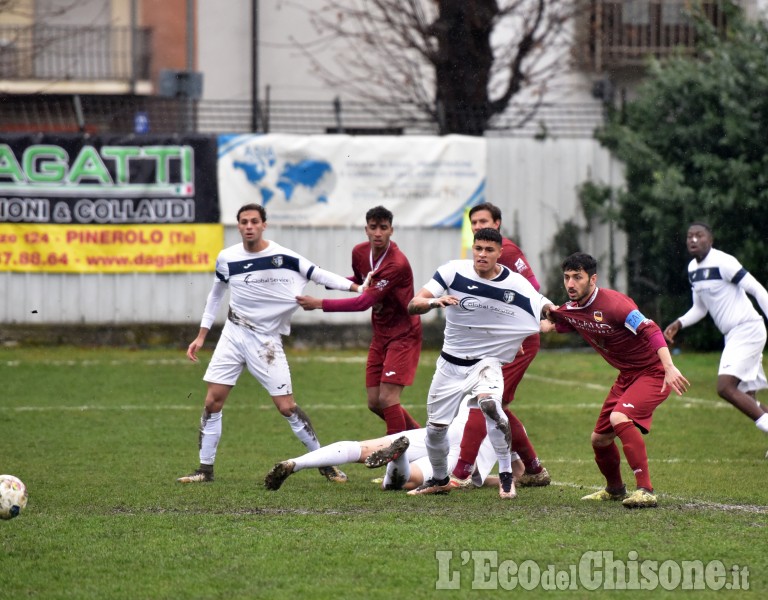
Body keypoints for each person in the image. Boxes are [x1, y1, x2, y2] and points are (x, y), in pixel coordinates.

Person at [177, 203, 361, 484]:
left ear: (264, 225)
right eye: (243, 222)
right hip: (233, 333)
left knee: (286, 406)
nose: (248, 226)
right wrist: (202, 335)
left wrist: (356, 288)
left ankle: (325, 463)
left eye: (254, 221)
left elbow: (318, 274)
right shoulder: (227, 258)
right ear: (238, 226)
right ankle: (205, 470)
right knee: (212, 401)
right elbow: (215, 296)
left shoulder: (283, 257)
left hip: (266, 342)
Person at [405, 227, 555, 499]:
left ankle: (507, 475)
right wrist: (435, 302)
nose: (482, 254)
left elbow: (544, 306)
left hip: (486, 364)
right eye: (478, 248)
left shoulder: (515, 283)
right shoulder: (452, 271)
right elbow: (413, 304)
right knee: (435, 431)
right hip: (449, 367)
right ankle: (439, 479)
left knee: (491, 407)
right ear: (472, 249)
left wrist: (555, 317)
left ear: (500, 253)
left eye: (489, 250)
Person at [543, 252, 689, 508]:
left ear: (593, 279)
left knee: (619, 417)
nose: (570, 284)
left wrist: (669, 367)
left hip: (653, 372)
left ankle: (645, 490)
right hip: (627, 376)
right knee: (599, 439)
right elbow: (553, 322)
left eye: (578, 277)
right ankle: (614, 489)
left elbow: (651, 329)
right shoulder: (572, 310)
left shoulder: (614, 304)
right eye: (567, 277)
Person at [296, 205, 422, 434]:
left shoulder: (396, 263)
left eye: (383, 228)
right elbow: (360, 281)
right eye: (373, 227)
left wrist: (319, 304)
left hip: (404, 334)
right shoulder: (360, 252)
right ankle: (420, 437)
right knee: (374, 402)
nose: (378, 233)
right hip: (381, 333)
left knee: (388, 397)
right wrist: (329, 280)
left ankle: (396, 461)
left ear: (391, 230)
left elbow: (363, 301)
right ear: (366, 229)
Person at [450, 202, 550, 489]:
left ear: (498, 224)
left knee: (485, 401)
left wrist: (537, 319)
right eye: (475, 223)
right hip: (492, 341)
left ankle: (460, 473)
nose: (479, 227)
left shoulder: (508, 252)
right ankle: (533, 468)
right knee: (496, 403)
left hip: (517, 340)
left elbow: (533, 290)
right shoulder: (479, 257)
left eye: (485, 221)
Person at [264, 400, 525, 492]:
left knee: (362, 448)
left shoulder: (476, 389)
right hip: (455, 455)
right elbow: (515, 473)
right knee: (407, 481)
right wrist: (500, 479)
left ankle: (295, 463)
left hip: (437, 433)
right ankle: (397, 459)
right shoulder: (509, 425)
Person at [663, 222, 768, 448]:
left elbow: (757, 289)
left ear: (710, 240)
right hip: (734, 335)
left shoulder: (724, 262)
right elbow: (700, 308)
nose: (693, 240)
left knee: (724, 387)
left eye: (699, 236)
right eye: (689, 236)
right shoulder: (693, 269)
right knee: (747, 397)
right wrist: (678, 323)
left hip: (748, 329)